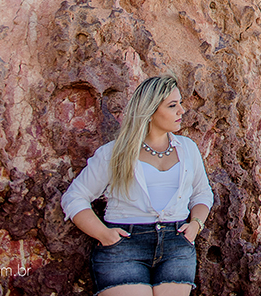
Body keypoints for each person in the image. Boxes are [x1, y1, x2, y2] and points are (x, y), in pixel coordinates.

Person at [62, 75, 214, 296]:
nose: (182, 111)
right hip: (125, 246)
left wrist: (196, 225)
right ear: (150, 111)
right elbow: (74, 197)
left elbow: (202, 193)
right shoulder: (114, 153)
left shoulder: (188, 149)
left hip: (176, 244)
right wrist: (103, 234)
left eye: (180, 103)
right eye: (173, 105)